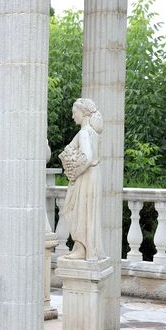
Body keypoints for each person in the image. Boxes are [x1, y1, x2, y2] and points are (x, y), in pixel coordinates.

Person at [58, 98, 104, 261]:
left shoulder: (85, 133)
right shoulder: (93, 133)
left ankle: (82, 248)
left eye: (74, 113)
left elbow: (87, 157)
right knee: (85, 211)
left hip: (85, 176)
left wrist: (73, 172)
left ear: (83, 113)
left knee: (76, 210)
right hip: (92, 175)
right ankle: (82, 247)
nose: (72, 117)